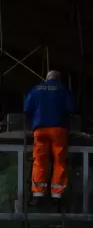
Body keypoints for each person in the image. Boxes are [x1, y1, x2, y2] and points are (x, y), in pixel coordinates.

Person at [24, 70, 75, 199]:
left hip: (39, 129)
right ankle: (57, 193)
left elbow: (26, 109)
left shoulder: (36, 89)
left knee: (40, 160)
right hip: (58, 129)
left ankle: (38, 192)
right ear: (59, 79)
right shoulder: (63, 89)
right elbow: (72, 108)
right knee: (59, 160)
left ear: (46, 78)